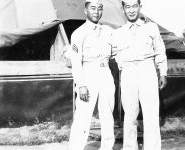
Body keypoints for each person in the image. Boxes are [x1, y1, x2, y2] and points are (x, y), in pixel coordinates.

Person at [110, 0, 167, 149]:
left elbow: (160, 50)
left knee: (151, 114)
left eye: (134, 6)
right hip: (128, 72)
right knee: (129, 115)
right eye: (127, 7)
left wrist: (163, 72)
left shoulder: (151, 27)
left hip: (147, 69)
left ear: (140, 7)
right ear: (123, 9)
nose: (131, 10)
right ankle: (130, 147)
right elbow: (107, 51)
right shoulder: (118, 32)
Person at [67, 0, 115, 150]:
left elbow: (116, 52)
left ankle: (107, 147)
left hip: (106, 73)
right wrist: (81, 85)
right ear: (85, 10)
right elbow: (75, 61)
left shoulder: (109, 31)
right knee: (83, 115)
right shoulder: (79, 33)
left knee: (108, 114)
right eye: (92, 8)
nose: (96, 11)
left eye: (99, 8)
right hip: (88, 74)